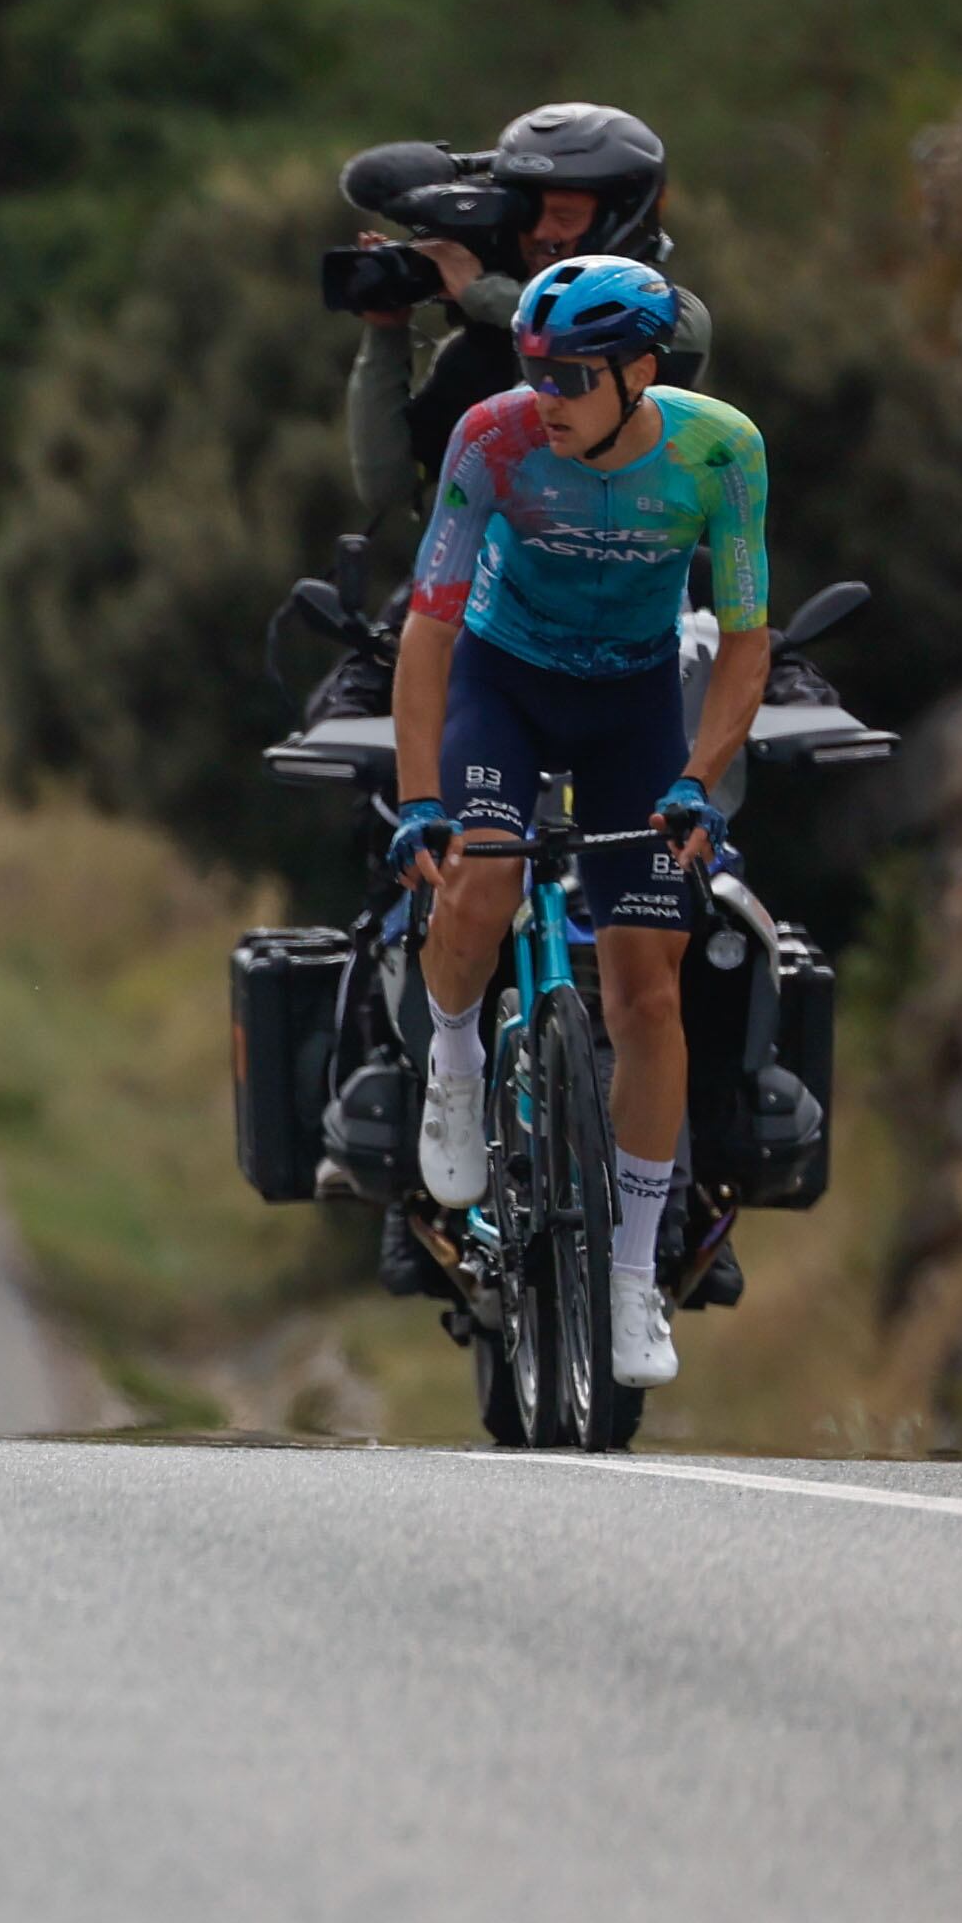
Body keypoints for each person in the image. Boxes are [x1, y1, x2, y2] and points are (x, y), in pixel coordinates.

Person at [390, 257, 768, 1392]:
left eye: (567, 374)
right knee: (480, 882)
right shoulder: (491, 438)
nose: (540, 392)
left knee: (646, 991)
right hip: (502, 686)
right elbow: (428, 627)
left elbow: (745, 637)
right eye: (530, 366)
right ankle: (453, 1063)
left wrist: (699, 777)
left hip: (633, 705)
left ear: (638, 372)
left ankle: (630, 1274)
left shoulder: (719, 451)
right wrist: (418, 797)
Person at [347, 102, 710, 538]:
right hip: (477, 590)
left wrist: (481, 291)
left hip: (615, 580)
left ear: (619, 220)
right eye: (528, 216)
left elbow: (638, 333)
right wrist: (385, 331)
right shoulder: (475, 355)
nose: (541, 234)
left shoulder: (670, 322)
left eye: (565, 216)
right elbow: (387, 487)